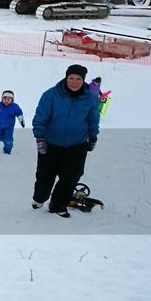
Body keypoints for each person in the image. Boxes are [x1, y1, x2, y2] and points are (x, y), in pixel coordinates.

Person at [31, 63, 100, 218]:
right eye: (71, 78)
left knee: (71, 176)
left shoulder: (90, 98)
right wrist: (40, 138)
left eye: (78, 78)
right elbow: (40, 117)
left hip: (77, 144)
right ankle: (40, 198)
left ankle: (58, 205)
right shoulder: (51, 95)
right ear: (66, 77)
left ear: (83, 80)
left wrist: (93, 136)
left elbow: (93, 119)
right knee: (45, 176)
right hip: (51, 143)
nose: (74, 82)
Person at [0, 89, 25, 154]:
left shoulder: (15, 106)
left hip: (9, 127)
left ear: (12, 100)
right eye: (4, 99)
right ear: (2, 99)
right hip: (0, 126)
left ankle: (8, 149)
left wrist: (21, 120)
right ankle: (6, 142)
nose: (6, 101)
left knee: (8, 139)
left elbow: (19, 113)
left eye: (9, 99)